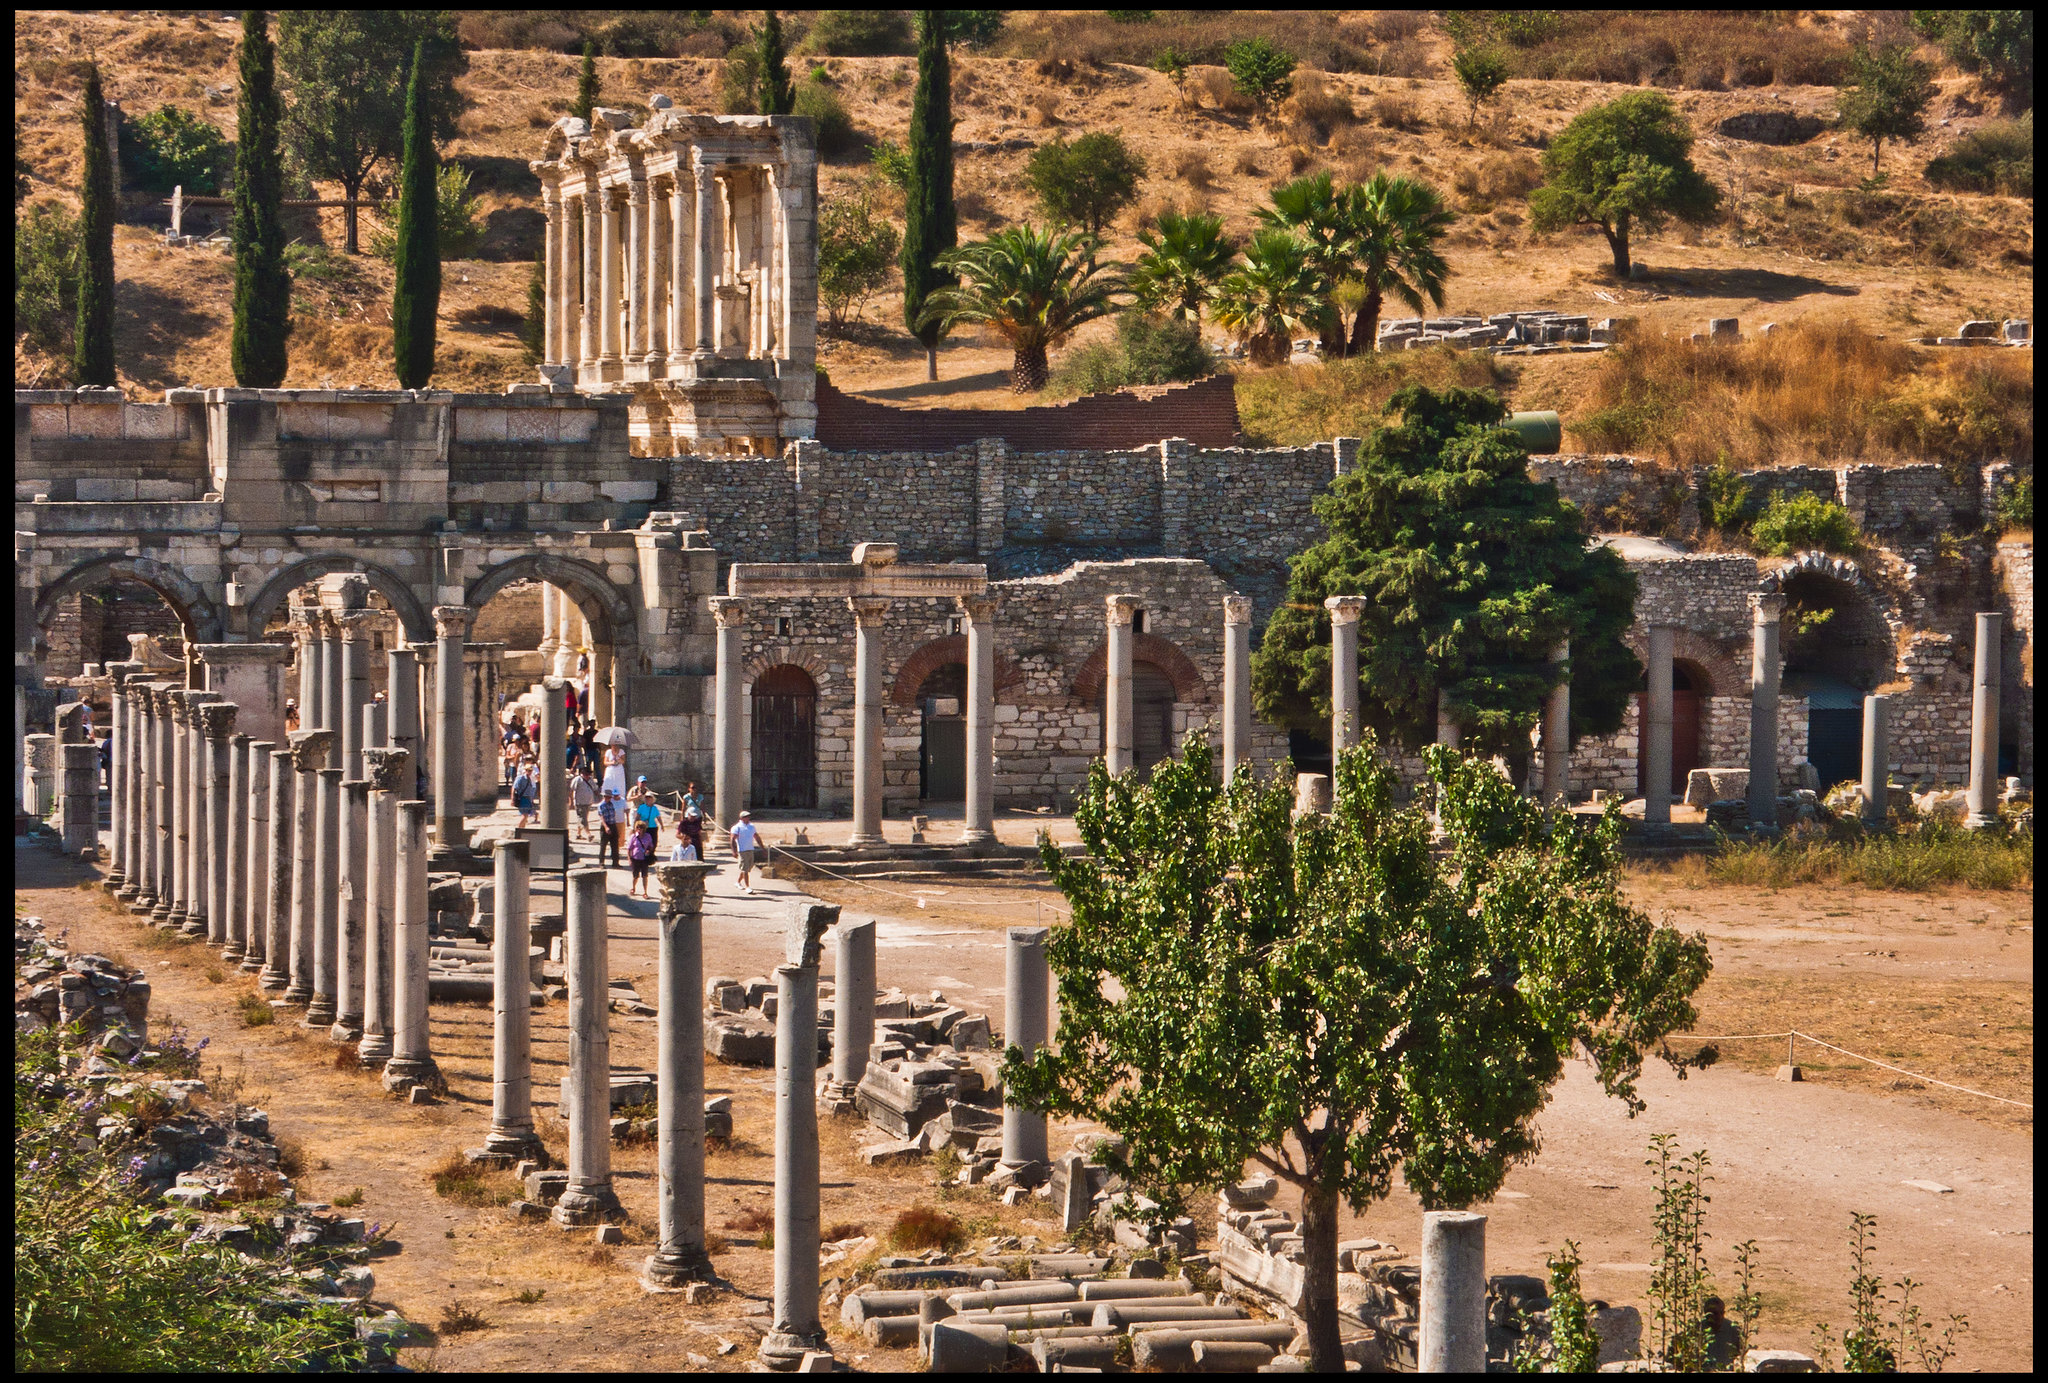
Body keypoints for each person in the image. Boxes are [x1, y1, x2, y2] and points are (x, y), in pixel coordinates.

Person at [1701, 1298, 1743, 1371]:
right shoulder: (1697, 1331)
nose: (1719, 1316)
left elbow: (1739, 1352)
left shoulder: (1733, 1330)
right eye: (1715, 1313)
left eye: (1722, 1312)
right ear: (1706, 1314)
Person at [729, 809, 760, 894]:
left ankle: (738, 882)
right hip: (742, 850)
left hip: (750, 849)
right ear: (742, 818)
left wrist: (762, 847)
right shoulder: (737, 827)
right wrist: (734, 851)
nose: (748, 818)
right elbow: (732, 839)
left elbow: (756, 836)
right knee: (745, 869)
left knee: (747, 868)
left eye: (748, 816)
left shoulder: (751, 826)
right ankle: (747, 887)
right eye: (746, 817)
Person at [627, 819, 656, 897]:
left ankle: (645, 892)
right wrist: (629, 859)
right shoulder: (633, 837)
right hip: (635, 858)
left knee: (645, 876)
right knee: (635, 876)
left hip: (644, 859)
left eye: (641, 828)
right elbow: (629, 848)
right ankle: (633, 888)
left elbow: (651, 846)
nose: (639, 829)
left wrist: (649, 851)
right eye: (638, 827)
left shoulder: (648, 836)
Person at [596, 788, 623, 868]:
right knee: (603, 845)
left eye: (609, 797)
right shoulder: (601, 805)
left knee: (615, 845)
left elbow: (613, 813)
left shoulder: (611, 804)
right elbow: (602, 817)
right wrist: (606, 827)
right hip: (606, 825)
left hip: (613, 824)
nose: (608, 798)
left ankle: (615, 862)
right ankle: (601, 862)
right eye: (606, 797)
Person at [570, 764, 598, 841]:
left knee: (582, 818)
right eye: (586, 774)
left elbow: (595, 788)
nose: (588, 775)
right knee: (583, 819)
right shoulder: (577, 780)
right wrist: (571, 801)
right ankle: (589, 834)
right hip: (580, 802)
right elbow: (572, 790)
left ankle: (578, 834)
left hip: (588, 802)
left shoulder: (590, 779)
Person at [511, 757, 537, 828]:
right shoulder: (520, 778)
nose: (529, 772)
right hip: (522, 798)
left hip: (528, 799)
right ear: (525, 770)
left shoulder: (530, 778)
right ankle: (518, 829)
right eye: (528, 770)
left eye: (530, 770)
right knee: (524, 816)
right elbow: (514, 788)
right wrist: (512, 799)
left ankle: (522, 829)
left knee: (526, 817)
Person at [601, 738, 628, 802]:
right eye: (613, 745)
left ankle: (620, 797)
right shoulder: (608, 752)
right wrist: (611, 762)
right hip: (610, 770)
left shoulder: (621, 751)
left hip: (619, 770)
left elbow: (623, 761)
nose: (615, 746)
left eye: (616, 744)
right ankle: (607, 797)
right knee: (609, 783)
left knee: (619, 783)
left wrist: (618, 757)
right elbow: (605, 762)